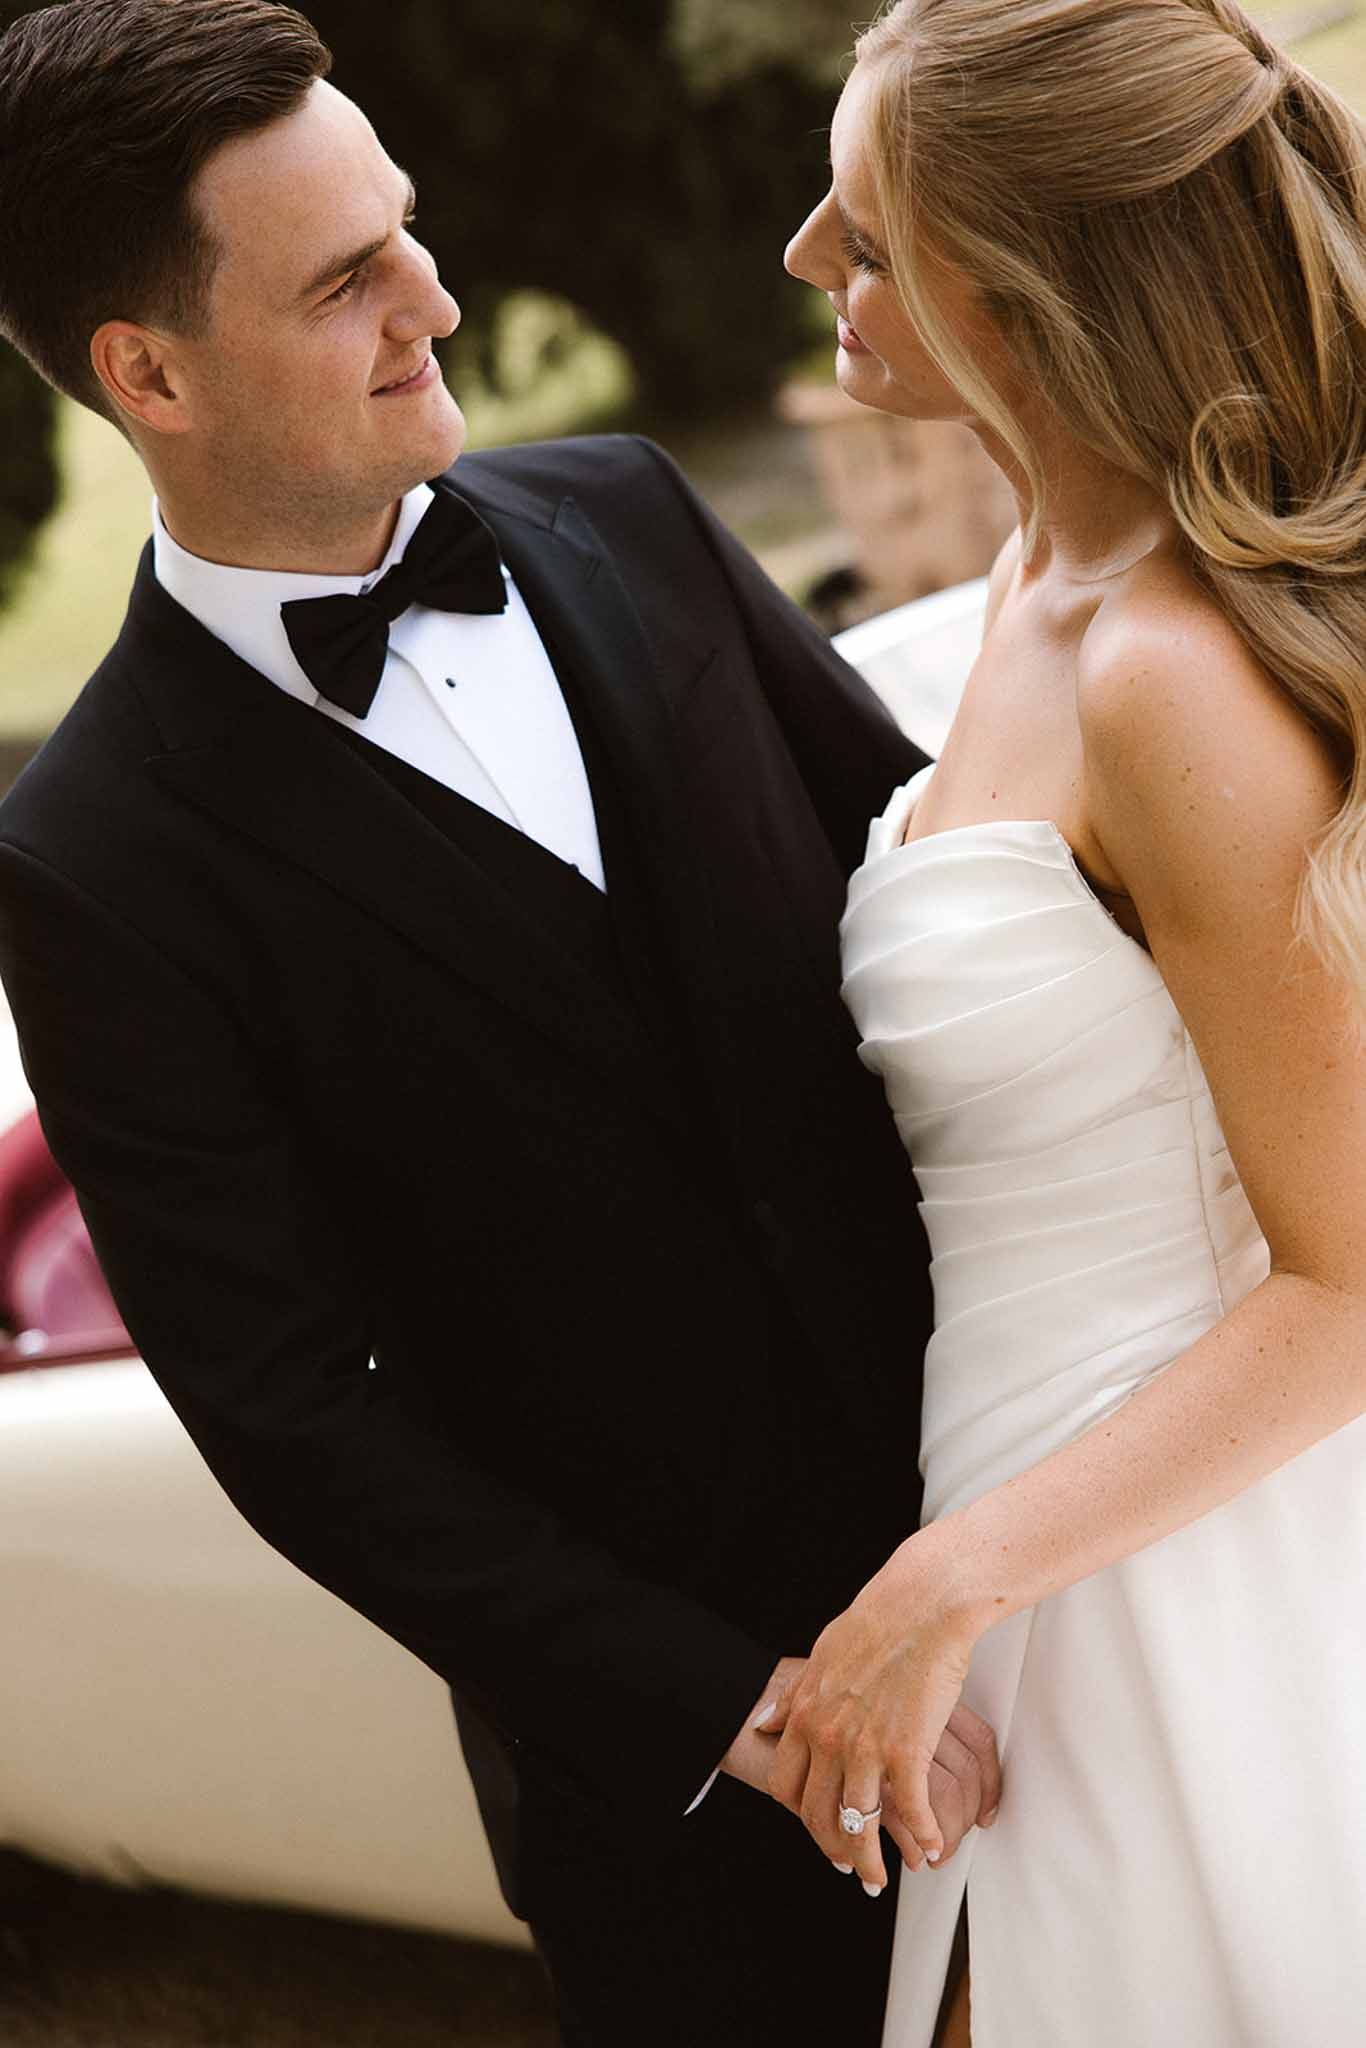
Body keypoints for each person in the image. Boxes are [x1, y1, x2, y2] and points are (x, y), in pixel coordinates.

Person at [0, 2, 1005, 2041]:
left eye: (408, 230)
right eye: (345, 277)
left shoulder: (630, 514)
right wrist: (746, 1707)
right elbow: (295, 1416)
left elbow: (948, 892)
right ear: (148, 370)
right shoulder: (93, 857)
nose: (436, 299)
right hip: (698, 1810)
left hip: (1045, 1549)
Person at [777, 1, 1366, 2042]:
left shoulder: (1167, 677)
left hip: (1164, 1578)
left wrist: (948, 1582)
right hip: (1023, 1525)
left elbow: (1353, 1281)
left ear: (1012, 274)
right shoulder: (1036, 572)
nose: (797, 258)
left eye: (860, 225)